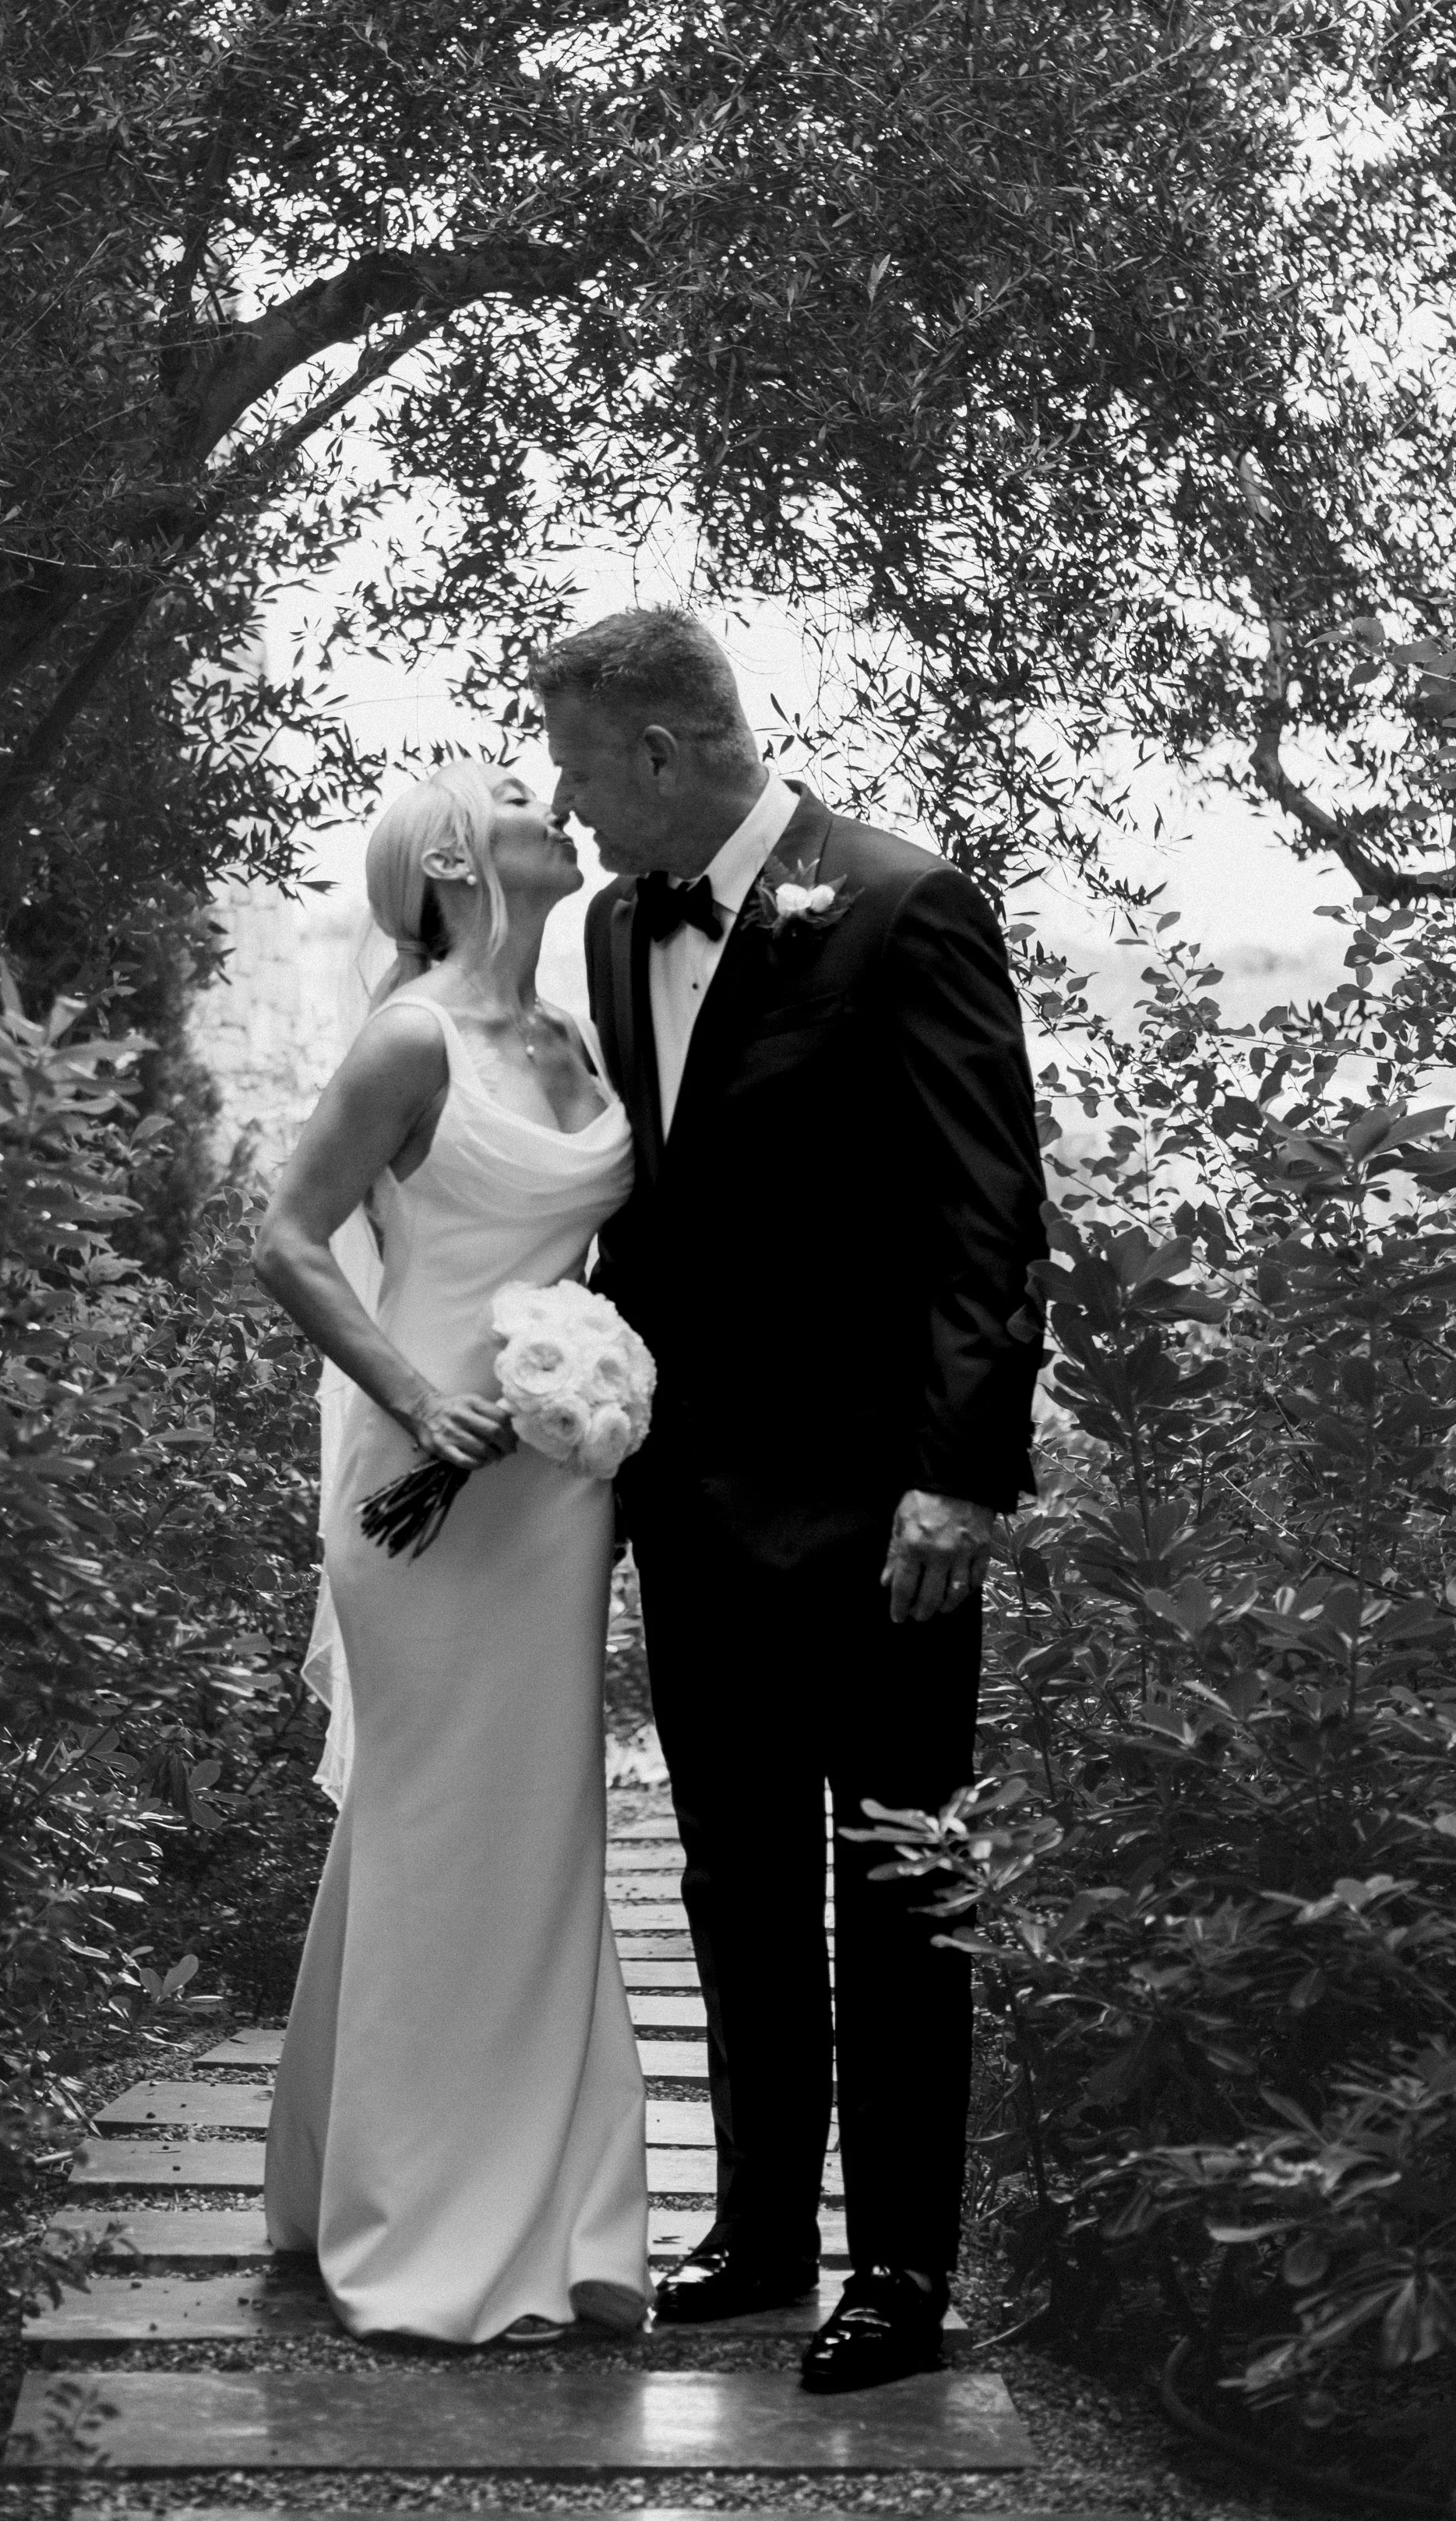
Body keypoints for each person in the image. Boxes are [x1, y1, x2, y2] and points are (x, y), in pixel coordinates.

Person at [537, 608, 1048, 2394]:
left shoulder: (904, 906)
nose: (569, 803)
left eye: (582, 766)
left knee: (894, 1883)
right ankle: (758, 2230)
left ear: (663, 756)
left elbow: (988, 1218)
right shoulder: (602, 928)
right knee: (731, 1868)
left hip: (880, 1513)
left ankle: (900, 2271)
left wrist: (959, 1477)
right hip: (688, 1499)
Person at [254, 762, 650, 2347]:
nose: (548, 806)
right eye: (507, 797)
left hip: (550, 1485)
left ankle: (559, 2212)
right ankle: (416, 2225)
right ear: (446, 861)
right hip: (418, 1467)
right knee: (437, 1826)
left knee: (531, 1829)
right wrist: (418, 1397)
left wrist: (596, 1369)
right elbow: (284, 1231)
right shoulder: (411, 1034)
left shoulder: (573, 1039)